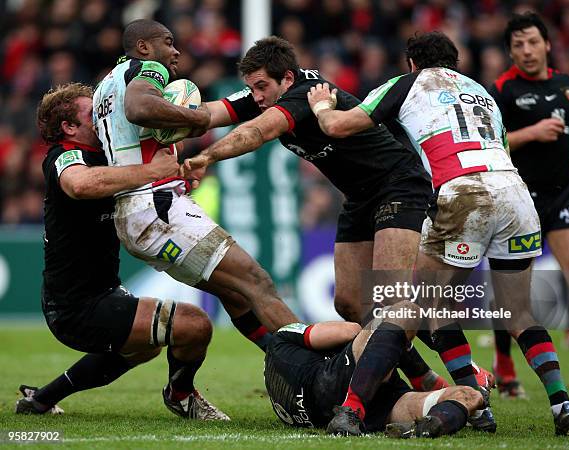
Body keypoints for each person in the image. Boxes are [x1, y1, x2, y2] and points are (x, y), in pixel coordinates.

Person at [181, 35, 504, 395]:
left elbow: (258, 133)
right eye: (252, 88)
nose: (256, 96)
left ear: (287, 79)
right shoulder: (265, 95)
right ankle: (424, 377)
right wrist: (165, 118)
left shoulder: (306, 94)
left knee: (391, 298)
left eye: (261, 87)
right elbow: (211, 113)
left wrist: (207, 157)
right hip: (359, 198)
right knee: (349, 302)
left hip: (398, 184)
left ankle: (464, 373)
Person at [306, 31, 569, 436]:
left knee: (417, 306)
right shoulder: (482, 93)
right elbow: (504, 146)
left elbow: (340, 126)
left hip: (463, 191)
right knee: (517, 311)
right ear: (454, 61)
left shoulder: (408, 83)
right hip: (516, 195)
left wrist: (322, 106)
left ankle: (355, 408)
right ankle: (561, 404)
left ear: (411, 63)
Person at [15, 82, 228, 420]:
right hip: (74, 306)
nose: (103, 119)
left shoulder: (110, 156)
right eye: (92, 114)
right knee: (195, 325)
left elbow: (140, 182)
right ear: (69, 128)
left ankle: (41, 399)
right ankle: (181, 396)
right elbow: (80, 184)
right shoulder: (65, 156)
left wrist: (176, 178)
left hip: (101, 292)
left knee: (145, 347)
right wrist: (151, 171)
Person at [92, 19, 299, 343]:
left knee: (238, 294)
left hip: (133, 215)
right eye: (168, 41)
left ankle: (284, 364)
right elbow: (139, 108)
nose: (176, 51)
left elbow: (216, 111)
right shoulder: (149, 68)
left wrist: (202, 122)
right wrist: (197, 119)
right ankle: (317, 368)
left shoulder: (105, 87)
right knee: (257, 281)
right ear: (144, 47)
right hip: (158, 209)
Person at [489, 12, 569, 400]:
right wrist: (532, 133)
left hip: (564, 193)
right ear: (510, 51)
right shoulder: (501, 90)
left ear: (547, 44)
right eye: (517, 45)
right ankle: (505, 369)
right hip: (519, 198)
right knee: (513, 295)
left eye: (532, 42)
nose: (525, 51)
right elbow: (491, 141)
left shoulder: (567, 84)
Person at [264, 301, 485, 437]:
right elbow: (350, 330)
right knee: (404, 311)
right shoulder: (285, 334)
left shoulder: (280, 376)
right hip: (337, 385)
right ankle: (352, 409)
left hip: (352, 406)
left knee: (467, 395)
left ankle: (433, 425)